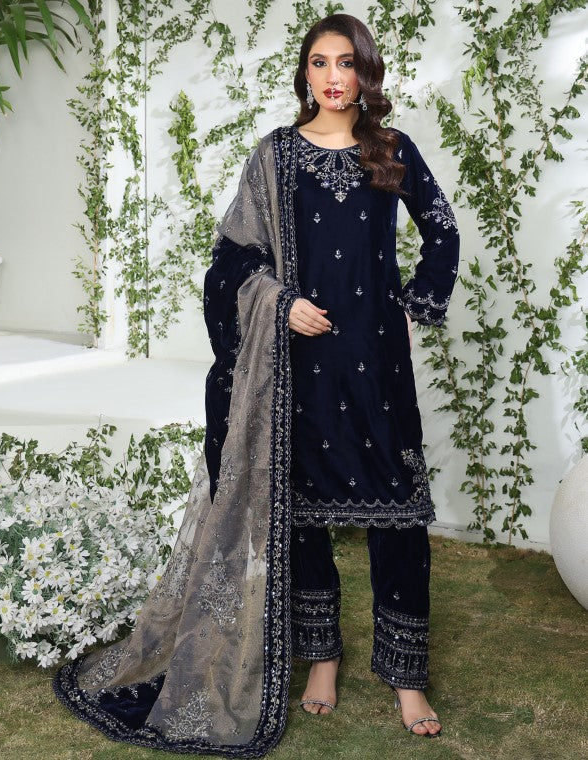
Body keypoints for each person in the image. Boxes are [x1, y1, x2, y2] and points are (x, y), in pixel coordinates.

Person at [52, 12, 458, 756]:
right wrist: (279, 301)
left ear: (365, 73)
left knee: (398, 516)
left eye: (346, 63)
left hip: (376, 365)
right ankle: (322, 657)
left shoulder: (392, 150)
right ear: (304, 73)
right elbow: (232, 256)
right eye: (319, 62)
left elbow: (443, 229)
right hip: (299, 363)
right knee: (300, 512)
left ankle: (407, 677)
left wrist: (415, 306)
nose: (332, 76)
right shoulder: (275, 155)